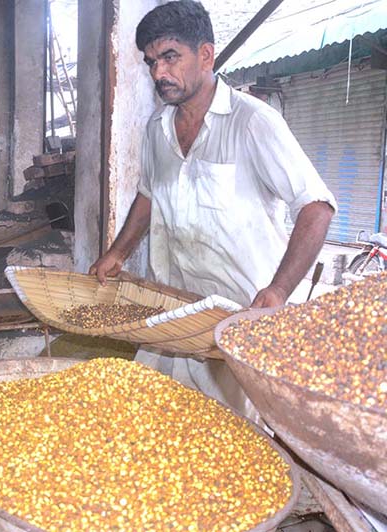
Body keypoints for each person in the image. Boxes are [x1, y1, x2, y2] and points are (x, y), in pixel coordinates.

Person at [89, 0, 336, 418]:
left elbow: (316, 207)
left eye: (170, 57)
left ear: (206, 55)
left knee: (232, 445)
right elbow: (150, 195)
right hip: (171, 317)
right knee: (156, 428)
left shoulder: (252, 122)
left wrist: (278, 291)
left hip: (237, 328)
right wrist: (118, 252)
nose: (158, 73)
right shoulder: (158, 127)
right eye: (151, 62)